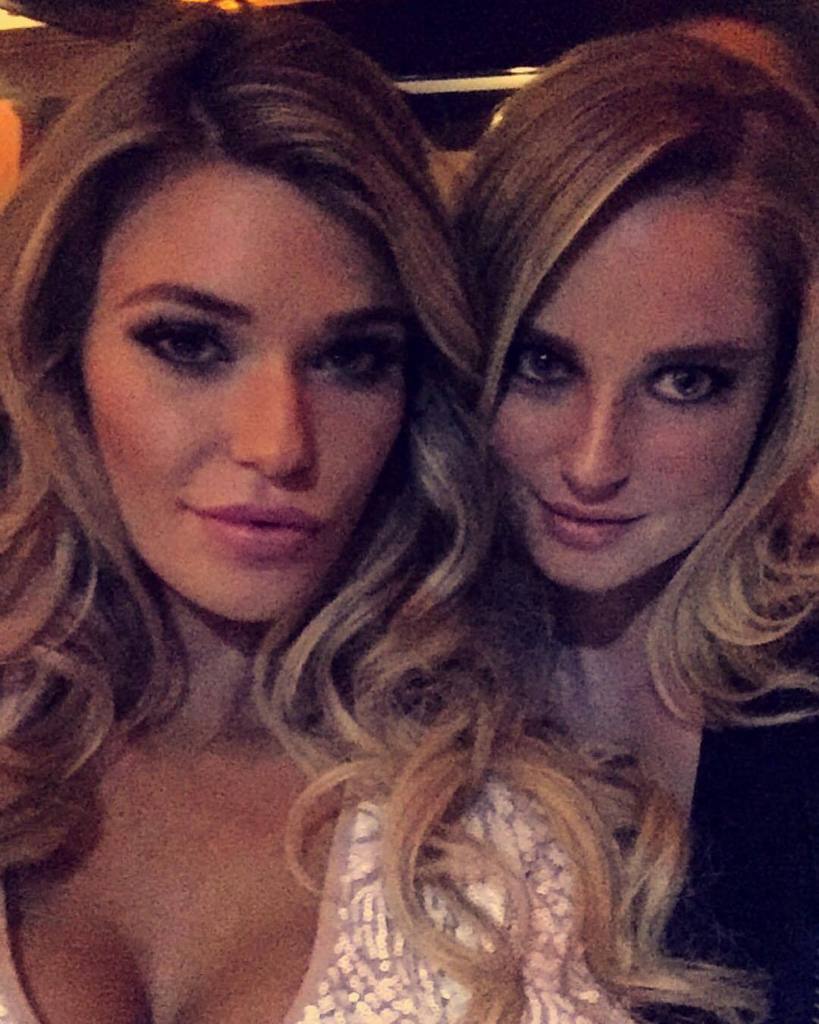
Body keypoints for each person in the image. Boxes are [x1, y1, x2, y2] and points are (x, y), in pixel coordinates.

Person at [0, 9, 731, 1024]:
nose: (279, 443)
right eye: (189, 343)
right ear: (60, 352)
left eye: (352, 358)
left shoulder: (496, 835)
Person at [458, 28, 819, 1023]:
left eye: (684, 381)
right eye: (541, 363)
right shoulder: (363, 665)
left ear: (779, 389)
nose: (593, 461)